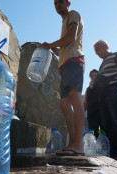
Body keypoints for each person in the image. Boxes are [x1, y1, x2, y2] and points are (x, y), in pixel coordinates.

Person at [39, 0, 85, 155]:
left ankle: (78, 145)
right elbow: (63, 48)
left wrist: (50, 45)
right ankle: (72, 144)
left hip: (74, 61)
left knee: (75, 98)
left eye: (60, 2)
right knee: (65, 105)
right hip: (65, 64)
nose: (58, 5)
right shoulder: (65, 21)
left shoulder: (73, 14)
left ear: (68, 3)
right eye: (55, 3)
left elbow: (71, 38)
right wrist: (52, 50)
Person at [93, 39, 117, 162]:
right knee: (106, 124)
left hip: (114, 90)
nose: (96, 53)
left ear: (104, 47)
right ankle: (113, 153)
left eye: (97, 49)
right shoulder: (103, 63)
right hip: (103, 96)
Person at [83, 69, 104, 138]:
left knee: (103, 132)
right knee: (93, 133)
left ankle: (104, 147)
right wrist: (82, 114)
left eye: (96, 75)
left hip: (102, 114)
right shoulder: (88, 89)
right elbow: (85, 102)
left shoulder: (103, 87)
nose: (94, 77)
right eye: (92, 76)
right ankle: (94, 147)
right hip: (91, 115)